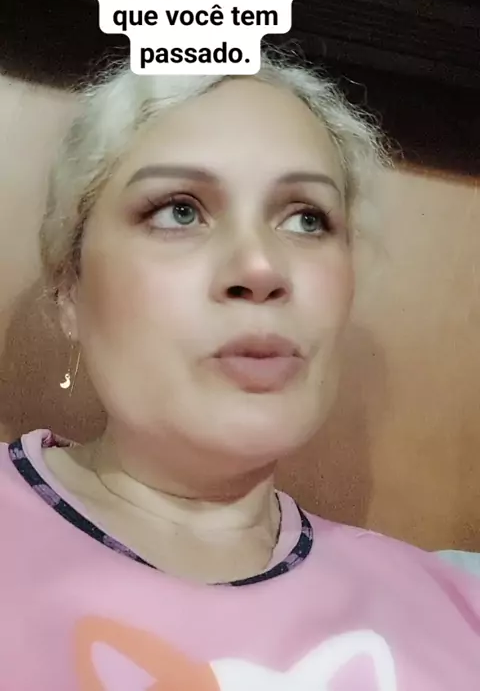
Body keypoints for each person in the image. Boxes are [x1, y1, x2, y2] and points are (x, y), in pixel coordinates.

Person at [1, 50, 479, 690]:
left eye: (307, 219)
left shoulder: (456, 610)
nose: (260, 268)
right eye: (179, 210)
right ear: (70, 288)